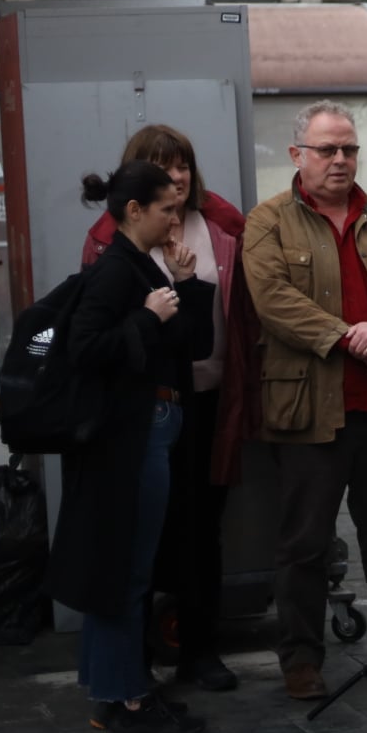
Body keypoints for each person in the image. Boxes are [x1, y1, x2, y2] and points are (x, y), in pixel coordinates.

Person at [242, 100, 367, 700]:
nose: (340, 160)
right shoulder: (268, 221)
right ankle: (301, 660)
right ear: (297, 155)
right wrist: (346, 336)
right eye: (327, 149)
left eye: (349, 149)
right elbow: (271, 298)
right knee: (304, 543)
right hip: (310, 412)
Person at [82, 124, 252, 692]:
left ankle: (201, 651)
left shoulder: (224, 224)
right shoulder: (112, 244)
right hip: (143, 409)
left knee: (203, 528)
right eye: (162, 167)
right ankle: (133, 668)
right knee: (142, 532)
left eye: (182, 165)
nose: (176, 177)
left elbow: (217, 328)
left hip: (208, 399)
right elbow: (96, 340)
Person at [50, 160, 214, 733]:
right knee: (127, 568)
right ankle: (130, 702)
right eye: (167, 209)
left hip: (150, 426)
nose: (177, 218)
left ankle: (111, 687)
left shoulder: (141, 265)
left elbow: (191, 344)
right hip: (132, 434)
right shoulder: (116, 270)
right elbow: (85, 349)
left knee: (122, 565)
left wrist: (186, 285)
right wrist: (147, 318)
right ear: (134, 211)